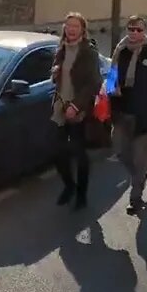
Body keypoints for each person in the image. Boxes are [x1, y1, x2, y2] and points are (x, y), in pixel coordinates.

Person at [110, 15, 147, 215]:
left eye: (139, 30)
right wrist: (112, 88)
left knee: (140, 158)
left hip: (144, 116)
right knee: (120, 151)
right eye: (131, 29)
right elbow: (111, 77)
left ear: (145, 32)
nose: (134, 33)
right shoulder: (121, 51)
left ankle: (136, 198)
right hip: (122, 112)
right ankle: (141, 175)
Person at [50, 12, 102, 210]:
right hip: (60, 106)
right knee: (57, 153)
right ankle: (69, 186)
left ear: (82, 30)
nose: (71, 29)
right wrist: (55, 70)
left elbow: (94, 83)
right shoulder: (61, 48)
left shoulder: (88, 52)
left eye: (75, 26)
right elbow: (57, 69)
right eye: (68, 25)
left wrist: (76, 105)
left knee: (79, 154)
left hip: (78, 109)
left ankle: (81, 195)